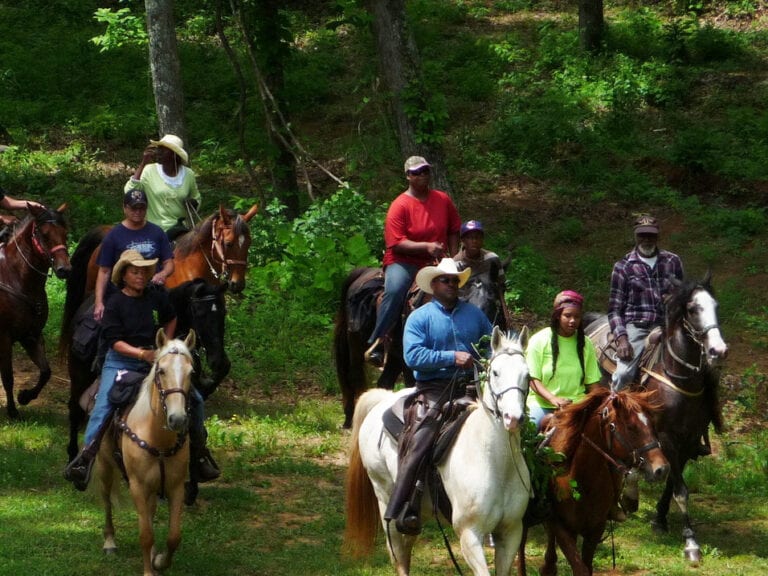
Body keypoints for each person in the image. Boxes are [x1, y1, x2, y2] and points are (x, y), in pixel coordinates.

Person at [64, 250, 220, 491]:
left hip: (153, 358)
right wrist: (142, 354)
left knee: (195, 399)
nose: (140, 276)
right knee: (104, 404)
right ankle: (86, 458)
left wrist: (165, 346)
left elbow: (171, 317)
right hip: (121, 361)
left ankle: (199, 454)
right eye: (135, 272)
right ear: (124, 275)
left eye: (144, 272)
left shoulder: (155, 295)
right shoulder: (114, 302)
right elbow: (114, 341)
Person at [383, 258, 492, 535]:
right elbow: (413, 357)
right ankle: (406, 504)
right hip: (433, 389)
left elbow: (492, 344)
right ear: (433, 284)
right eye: (446, 280)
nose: (452, 285)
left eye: (455, 280)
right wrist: (451, 357)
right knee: (421, 439)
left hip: (472, 387)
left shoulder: (475, 315)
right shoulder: (420, 317)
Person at [364, 156, 462, 368]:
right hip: (404, 260)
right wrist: (426, 247)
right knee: (395, 290)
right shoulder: (399, 205)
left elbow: (454, 229)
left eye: (426, 171)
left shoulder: (442, 199)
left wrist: (454, 258)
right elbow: (395, 242)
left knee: (465, 287)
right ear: (408, 176)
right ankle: (379, 341)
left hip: (438, 260)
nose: (423, 175)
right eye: (417, 172)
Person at [608, 215, 683, 391]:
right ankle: (614, 408)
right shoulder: (623, 266)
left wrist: (674, 299)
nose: (647, 239)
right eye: (642, 235)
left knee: (701, 362)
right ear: (635, 236)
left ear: (658, 236)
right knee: (623, 374)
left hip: (668, 325)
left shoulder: (673, 261)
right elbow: (614, 310)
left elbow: (683, 296)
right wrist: (622, 339)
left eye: (651, 235)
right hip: (638, 327)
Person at [93, 188, 175, 322]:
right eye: (133, 208)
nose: (137, 212)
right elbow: (104, 271)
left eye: (141, 208)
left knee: (174, 316)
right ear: (125, 208)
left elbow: (169, 262)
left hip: (153, 290)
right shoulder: (113, 236)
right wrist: (98, 302)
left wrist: (163, 274)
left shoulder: (157, 232)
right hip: (122, 293)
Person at [526, 290, 601, 429]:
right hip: (543, 405)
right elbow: (533, 379)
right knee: (529, 429)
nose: (573, 321)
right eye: (567, 316)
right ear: (557, 316)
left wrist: (602, 402)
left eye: (577, 317)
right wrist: (553, 399)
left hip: (577, 406)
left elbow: (593, 384)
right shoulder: (539, 340)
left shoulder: (585, 343)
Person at [125, 134, 201, 240]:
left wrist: (194, 202)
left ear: (174, 155)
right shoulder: (149, 170)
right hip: (153, 229)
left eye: (163, 150)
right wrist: (143, 163)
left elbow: (196, 196)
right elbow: (130, 191)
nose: (158, 153)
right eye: (158, 149)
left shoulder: (188, 174)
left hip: (180, 230)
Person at [453, 219, 512, 330]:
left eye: (477, 237)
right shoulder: (456, 264)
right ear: (463, 240)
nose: (474, 241)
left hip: (490, 305)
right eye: (470, 238)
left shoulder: (492, 259)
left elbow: (500, 286)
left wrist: (505, 313)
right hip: (464, 308)